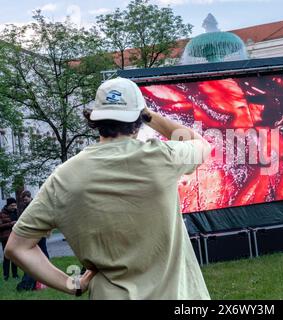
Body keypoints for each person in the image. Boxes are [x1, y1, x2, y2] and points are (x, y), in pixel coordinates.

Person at [5, 78, 212, 299]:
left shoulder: (64, 177)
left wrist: (71, 284)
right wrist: (150, 116)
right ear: (138, 119)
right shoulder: (162, 157)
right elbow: (202, 145)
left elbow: (17, 247)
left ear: (96, 119)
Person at [16, 190, 50, 291]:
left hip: (39, 232)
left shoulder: (35, 204)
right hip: (32, 232)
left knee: (43, 252)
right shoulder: (26, 206)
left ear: (29, 196)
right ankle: (41, 276)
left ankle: (46, 273)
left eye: (25, 198)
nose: (24, 200)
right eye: (23, 199)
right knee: (38, 253)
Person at [0, 198, 19, 281]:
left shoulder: (16, 212)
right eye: (12, 205)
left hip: (15, 237)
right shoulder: (1, 214)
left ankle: (15, 275)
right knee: (7, 257)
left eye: (15, 205)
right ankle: (6, 276)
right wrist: (10, 224)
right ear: (7, 205)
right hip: (5, 238)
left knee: (14, 257)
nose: (14, 207)